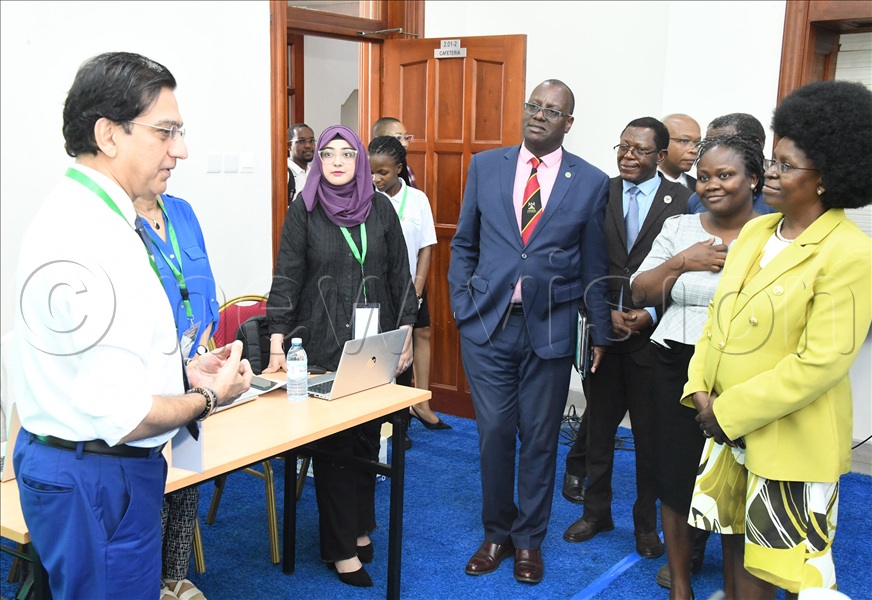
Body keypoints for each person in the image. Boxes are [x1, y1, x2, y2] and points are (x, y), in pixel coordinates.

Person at [10, 51, 252, 600]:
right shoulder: (92, 238)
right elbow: (126, 416)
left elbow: (98, 364)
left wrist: (182, 374)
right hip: (99, 475)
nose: (180, 150)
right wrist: (208, 397)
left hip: (84, 464)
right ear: (108, 135)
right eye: (165, 132)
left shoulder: (88, 216)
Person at [684, 79, 872, 599]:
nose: (770, 171)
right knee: (735, 550)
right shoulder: (756, 232)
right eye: (773, 159)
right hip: (727, 432)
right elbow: (717, 320)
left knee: (781, 568)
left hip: (788, 440)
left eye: (787, 166)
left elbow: (821, 363)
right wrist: (700, 386)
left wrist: (728, 412)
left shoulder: (849, 252)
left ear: (826, 179)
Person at [448, 79, 612, 585]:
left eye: (552, 110)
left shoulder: (591, 180)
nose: (539, 115)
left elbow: (594, 262)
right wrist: (462, 305)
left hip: (552, 327)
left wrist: (599, 329)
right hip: (487, 324)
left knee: (540, 437)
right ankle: (496, 533)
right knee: (494, 433)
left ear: (568, 122)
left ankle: (528, 542)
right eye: (533, 105)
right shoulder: (486, 166)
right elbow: (465, 243)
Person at [263, 125, 417, 588]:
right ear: (317, 162)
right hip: (322, 346)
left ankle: (360, 524)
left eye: (346, 154)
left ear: (360, 162)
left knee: (368, 440)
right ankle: (340, 548)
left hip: (375, 343)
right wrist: (277, 340)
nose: (335, 161)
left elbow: (400, 274)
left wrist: (407, 332)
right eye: (327, 154)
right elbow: (287, 277)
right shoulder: (304, 210)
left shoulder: (381, 208)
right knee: (335, 448)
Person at [630, 134, 764, 600]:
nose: (712, 185)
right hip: (673, 363)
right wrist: (684, 262)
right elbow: (640, 290)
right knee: (674, 477)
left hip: (742, 371)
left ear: (753, 179)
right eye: (703, 177)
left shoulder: (772, 233)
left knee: (734, 479)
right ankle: (681, 584)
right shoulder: (679, 227)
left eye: (725, 175)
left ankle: (733, 588)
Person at [562, 117, 691, 559]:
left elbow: (686, 271)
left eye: (639, 149)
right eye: (622, 147)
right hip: (604, 333)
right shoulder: (601, 191)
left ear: (661, 155)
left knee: (650, 441)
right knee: (598, 432)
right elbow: (586, 258)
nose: (628, 156)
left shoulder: (684, 201)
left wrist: (650, 313)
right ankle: (596, 513)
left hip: (654, 341)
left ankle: (645, 525)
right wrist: (603, 314)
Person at [134, 191, 220, 599]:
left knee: (186, 473)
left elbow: (205, 288)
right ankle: (149, 582)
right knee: (154, 479)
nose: (172, 160)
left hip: (193, 363)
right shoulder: (118, 219)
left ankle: (175, 575)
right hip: (148, 370)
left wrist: (199, 348)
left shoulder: (182, 211)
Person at [367, 136, 448, 430]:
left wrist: (416, 291)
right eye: (371, 172)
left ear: (399, 168)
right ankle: (386, 418)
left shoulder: (417, 199)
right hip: (378, 290)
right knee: (385, 349)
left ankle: (413, 409)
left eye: (383, 172)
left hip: (412, 287)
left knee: (414, 341)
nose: (375, 179)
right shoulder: (366, 200)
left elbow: (426, 246)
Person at [686, 113, 775, 216]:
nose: (715, 150)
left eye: (727, 142)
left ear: (757, 145)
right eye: (708, 144)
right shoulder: (696, 200)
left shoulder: (778, 198)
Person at [372, 117, 417, 188]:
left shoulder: (407, 169)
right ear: (379, 139)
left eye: (406, 138)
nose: (405, 144)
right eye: (398, 138)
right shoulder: (364, 169)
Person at [660, 114, 702, 190]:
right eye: (684, 141)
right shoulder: (641, 183)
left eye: (697, 143)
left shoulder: (699, 190)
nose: (694, 150)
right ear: (662, 142)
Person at [288, 123, 316, 204]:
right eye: (301, 141)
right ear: (289, 146)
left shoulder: (314, 174)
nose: (308, 145)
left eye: (311, 141)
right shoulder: (283, 174)